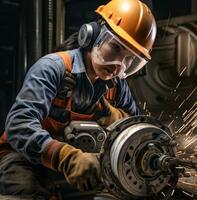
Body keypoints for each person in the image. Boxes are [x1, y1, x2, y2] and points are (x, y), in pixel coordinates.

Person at [0, 0, 156, 199]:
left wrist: (118, 119)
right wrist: (67, 157)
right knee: (30, 193)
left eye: (130, 59)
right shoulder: (52, 68)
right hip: (22, 157)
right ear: (92, 35)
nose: (119, 65)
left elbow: (138, 132)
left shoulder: (117, 85)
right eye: (116, 48)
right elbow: (19, 125)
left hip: (82, 162)